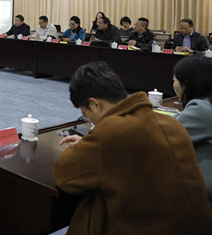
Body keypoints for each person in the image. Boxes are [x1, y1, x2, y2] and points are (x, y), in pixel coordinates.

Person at [54, 61, 212, 234]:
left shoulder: (110, 131)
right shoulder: (170, 123)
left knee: (95, 202)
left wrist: (90, 144)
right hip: (197, 225)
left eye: (86, 113)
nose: (89, 119)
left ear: (95, 104)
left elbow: (64, 175)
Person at [173, 55, 212, 202]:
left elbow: (165, 139)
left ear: (186, 83)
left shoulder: (201, 110)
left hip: (201, 198)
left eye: (174, 80)